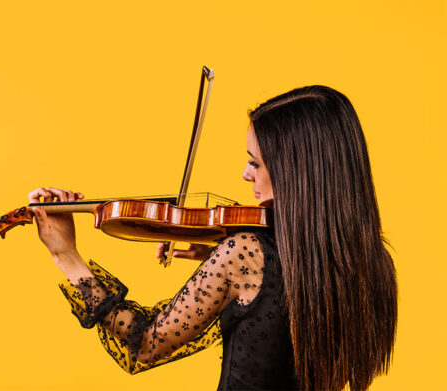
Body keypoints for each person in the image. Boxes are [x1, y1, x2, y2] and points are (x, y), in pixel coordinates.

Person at [28, 85, 398, 391]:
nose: (244, 174)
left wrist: (68, 256)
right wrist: (216, 261)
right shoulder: (372, 260)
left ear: (295, 173)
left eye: (255, 162)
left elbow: (144, 345)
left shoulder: (245, 253)